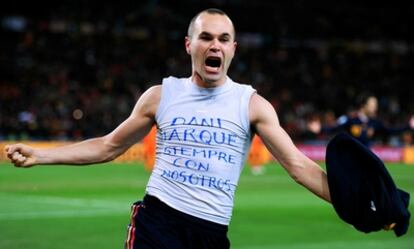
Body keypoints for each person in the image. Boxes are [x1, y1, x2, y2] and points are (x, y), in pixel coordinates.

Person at [6, 8, 331, 249]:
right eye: (205, 37)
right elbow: (108, 146)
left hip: (211, 232)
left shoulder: (252, 105)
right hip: (157, 224)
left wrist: (365, 208)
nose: (214, 45)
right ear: (189, 45)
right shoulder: (161, 95)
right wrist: (41, 154)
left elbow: (299, 166)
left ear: (234, 49)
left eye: (223, 39)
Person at [307, 93, 414, 147]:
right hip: (350, 158)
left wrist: (409, 126)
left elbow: (391, 130)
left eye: (375, 105)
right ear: (363, 105)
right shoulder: (350, 119)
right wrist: (320, 128)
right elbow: (334, 127)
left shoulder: (375, 122)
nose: (375, 107)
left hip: (366, 159)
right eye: (372, 105)